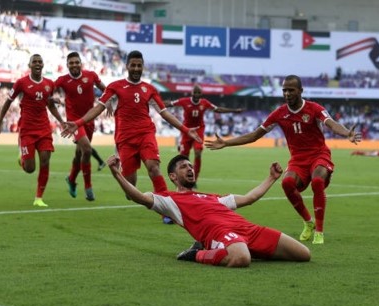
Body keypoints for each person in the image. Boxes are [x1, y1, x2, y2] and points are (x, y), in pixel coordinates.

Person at [205, 75, 361, 245]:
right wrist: (227, 143)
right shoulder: (279, 114)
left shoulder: (314, 108)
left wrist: (347, 133)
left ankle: (320, 231)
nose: (287, 93)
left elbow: (331, 123)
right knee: (286, 184)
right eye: (284, 90)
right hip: (297, 159)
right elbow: (255, 135)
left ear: (300, 91)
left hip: (319, 154)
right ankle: (308, 222)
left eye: (291, 90)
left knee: (317, 181)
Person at [62, 50, 200, 222]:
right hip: (125, 140)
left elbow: (164, 113)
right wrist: (78, 122)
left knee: (154, 167)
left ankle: (167, 211)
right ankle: (129, 184)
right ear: (127, 66)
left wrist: (186, 130)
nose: (136, 68)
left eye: (139, 65)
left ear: (143, 67)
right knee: (131, 189)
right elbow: (98, 108)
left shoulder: (149, 89)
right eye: (133, 65)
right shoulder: (115, 87)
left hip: (146, 135)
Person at [107, 154, 311, 267]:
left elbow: (250, 198)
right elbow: (140, 198)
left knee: (303, 254)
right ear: (172, 176)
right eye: (183, 167)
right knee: (241, 259)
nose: (190, 169)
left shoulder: (213, 197)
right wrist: (117, 174)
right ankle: (197, 253)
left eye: (190, 166)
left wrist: (271, 178)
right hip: (220, 234)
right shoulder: (171, 200)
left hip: (247, 229)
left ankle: (238, 249)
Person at [0, 54, 65, 207]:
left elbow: (49, 104)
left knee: (45, 161)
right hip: (27, 129)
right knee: (30, 169)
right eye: (35, 62)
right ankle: (22, 158)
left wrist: (61, 121)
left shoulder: (49, 84)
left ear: (43, 65)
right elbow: (7, 102)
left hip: (44, 128)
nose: (38, 64)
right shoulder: (21, 83)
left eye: (40, 61)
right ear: (30, 65)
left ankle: (38, 198)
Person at [54, 51, 107, 201]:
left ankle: (71, 179)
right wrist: (54, 99)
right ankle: (88, 187)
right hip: (74, 122)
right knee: (88, 150)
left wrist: (107, 102)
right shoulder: (63, 80)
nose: (74, 65)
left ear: (81, 63)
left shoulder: (91, 76)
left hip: (89, 120)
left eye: (76, 62)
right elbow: (48, 92)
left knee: (79, 155)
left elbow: (107, 90)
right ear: (67, 65)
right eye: (71, 63)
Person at [164, 84, 243, 182]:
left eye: (199, 92)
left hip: (199, 130)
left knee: (198, 153)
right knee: (183, 157)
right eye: (195, 92)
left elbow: (218, 109)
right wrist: (154, 103)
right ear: (192, 93)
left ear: (201, 94)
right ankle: (182, 178)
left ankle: (194, 179)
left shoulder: (204, 103)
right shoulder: (184, 101)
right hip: (187, 131)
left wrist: (234, 110)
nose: (197, 94)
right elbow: (169, 103)